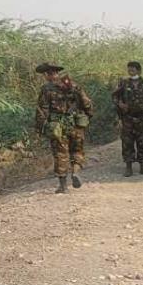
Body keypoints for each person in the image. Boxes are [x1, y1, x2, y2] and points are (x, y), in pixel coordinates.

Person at [32, 63, 94, 193]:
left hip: (58, 127)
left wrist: (41, 128)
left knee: (61, 154)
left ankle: (63, 186)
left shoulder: (46, 89)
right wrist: (88, 115)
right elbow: (86, 103)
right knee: (77, 150)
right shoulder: (74, 85)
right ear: (57, 73)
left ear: (47, 74)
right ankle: (75, 172)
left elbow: (42, 111)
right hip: (76, 124)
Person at [112, 60, 143, 176]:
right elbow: (114, 97)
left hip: (142, 119)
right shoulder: (123, 83)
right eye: (129, 69)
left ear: (139, 71)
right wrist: (120, 104)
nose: (130, 72)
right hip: (127, 118)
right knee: (127, 143)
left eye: (133, 69)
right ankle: (128, 168)